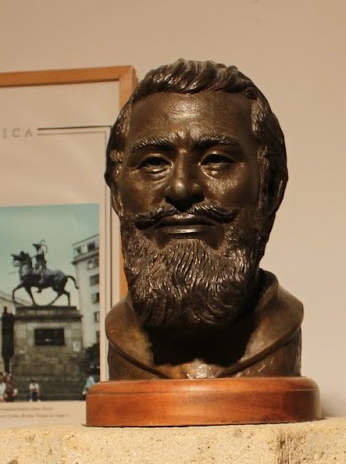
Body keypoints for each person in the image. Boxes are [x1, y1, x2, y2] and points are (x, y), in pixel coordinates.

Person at [102, 59, 302, 379]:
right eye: (154, 163)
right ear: (116, 192)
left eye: (216, 160)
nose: (181, 188)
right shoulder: (119, 332)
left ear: (271, 187)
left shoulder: (283, 326)